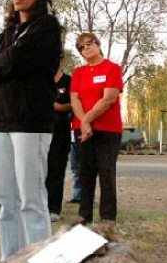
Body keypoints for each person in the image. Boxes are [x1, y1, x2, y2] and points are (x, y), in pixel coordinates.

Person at [0, 0, 63, 261]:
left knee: (32, 200)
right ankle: (10, 258)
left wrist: (1, 63)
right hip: (1, 122)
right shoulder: (9, 32)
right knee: (7, 202)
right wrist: (5, 63)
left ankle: (41, 259)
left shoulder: (47, 27)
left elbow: (16, 59)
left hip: (31, 123)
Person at [70, 32, 123, 226]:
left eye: (89, 44)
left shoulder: (112, 69)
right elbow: (74, 98)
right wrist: (84, 122)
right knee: (85, 172)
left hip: (108, 129)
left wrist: (87, 120)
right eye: (81, 47)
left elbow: (109, 98)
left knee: (106, 172)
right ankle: (84, 214)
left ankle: (108, 217)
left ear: (98, 44)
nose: (86, 48)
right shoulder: (79, 73)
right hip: (83, 130)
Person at [45, 69, 72, 222]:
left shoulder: (69, 81)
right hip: (40, 132)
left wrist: (60, 107)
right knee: (40, 172)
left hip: (60, 133)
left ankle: (54, 208)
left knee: (57, 170)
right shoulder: (40, 79)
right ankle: (39, 206)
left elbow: (75, 103)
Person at [67, 134, 81, 203]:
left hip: (81, 138)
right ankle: (77, 195)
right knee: (75, 169)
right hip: (72, 141)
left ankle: (81, 196)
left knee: (83, 169)